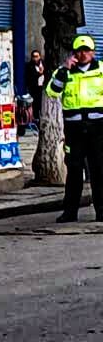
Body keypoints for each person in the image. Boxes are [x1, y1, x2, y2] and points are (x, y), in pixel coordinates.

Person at [45, 34, 103, 222]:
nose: (83, 54)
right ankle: (70, 212)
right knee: (74, 172)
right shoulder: (65, 72)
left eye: (86, 50)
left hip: (97, 129)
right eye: (79, 50)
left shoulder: (101, 71)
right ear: (74, 53)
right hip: (74, 130)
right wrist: (63, 71)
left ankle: (101, 212)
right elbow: (51, 92)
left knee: (99, 171)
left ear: (93, 52)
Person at [25, 49, 46, 121]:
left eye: (37, 56)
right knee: (36, 104)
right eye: (33, 57)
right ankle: (36, 118)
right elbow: (29, 78)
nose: (35, 58)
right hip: (34, 88)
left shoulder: (44, 64)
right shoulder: (29, 66)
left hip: (43, 87)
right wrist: (39, 74)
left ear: (40, 56)